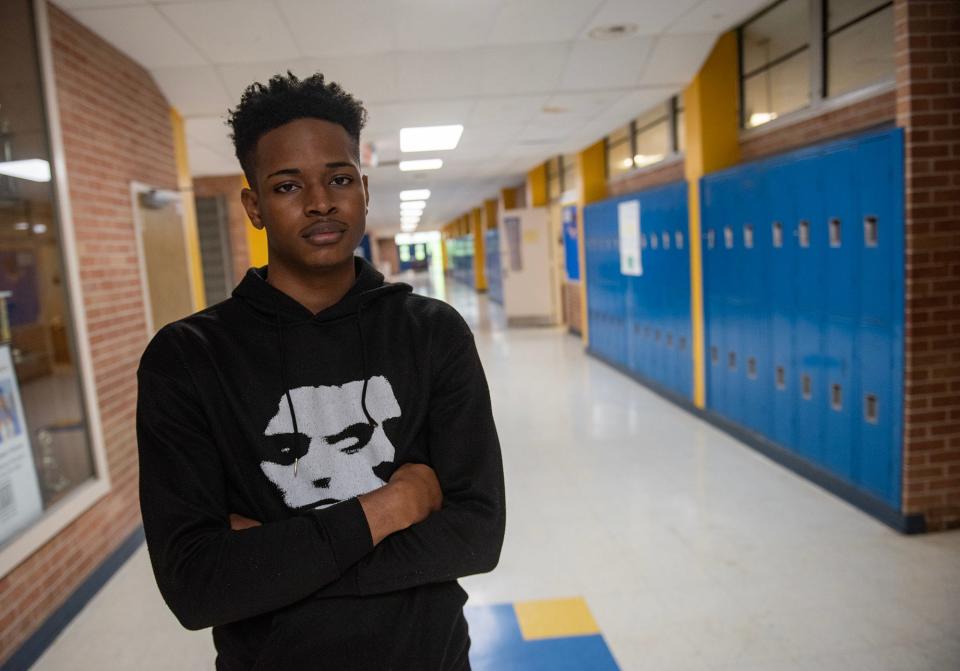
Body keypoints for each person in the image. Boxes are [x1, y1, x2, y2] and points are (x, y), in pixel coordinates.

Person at [136, 72, 506, 671]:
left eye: (337, 179)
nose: (319, 201)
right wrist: (392, 507)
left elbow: (477, 534)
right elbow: (196, 585)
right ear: (254, 205)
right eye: (287, 185)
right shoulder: (188, 358)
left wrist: (271, 560)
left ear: (363, 189)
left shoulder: (433, 333)